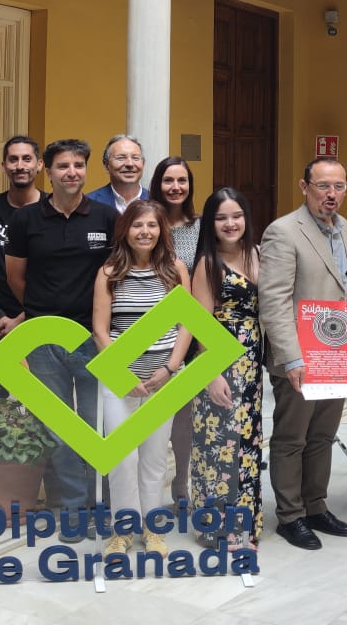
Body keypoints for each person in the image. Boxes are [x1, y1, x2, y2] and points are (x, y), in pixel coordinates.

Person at [4, 138, 117, 540]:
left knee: (94, 426)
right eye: (63, 166)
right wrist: (41, 311)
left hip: (91, 339)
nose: (72, 172)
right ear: (47, 172)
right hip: (42, 340)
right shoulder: (26, 220)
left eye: (79, 165)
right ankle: (72, 508)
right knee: (59, 430)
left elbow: (114, 275)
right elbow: (16, 277)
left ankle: (97, 507)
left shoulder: (105, 217)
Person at [259, 157, 347, 550]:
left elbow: (344, 281)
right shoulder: (283, 231)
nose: (331, 194)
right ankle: (290, 516)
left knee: (323, 435)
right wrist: (292, 358)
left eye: (338, 186)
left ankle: (316, 506)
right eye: (322, 186)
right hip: (299, 358)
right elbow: (274, 300)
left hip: (335, 354)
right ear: (304, 187)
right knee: (292, 438)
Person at [92, 200, 192, 556]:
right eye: (137, 225)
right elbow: (100, 330)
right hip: (119, 381)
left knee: (154, 457)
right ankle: (122, 530)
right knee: (122, 458)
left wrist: (170, 368)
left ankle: (153, 528)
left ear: (161, 230)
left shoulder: (175, 269)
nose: (145, 232)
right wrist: (122, 375)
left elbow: (186, 324)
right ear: (126, 230)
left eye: (152, 225)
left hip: (163, 380)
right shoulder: (109, 272)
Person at [190, 188, 264, 548]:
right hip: (219, 362)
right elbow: (200, 323)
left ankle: (246, 524)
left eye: (236, 216)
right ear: (211, 223)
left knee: (247, 444)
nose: (230, 224)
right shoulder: (207, 263)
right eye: (221, 218)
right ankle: (217, 527)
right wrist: (212, 373)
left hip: (251, 364)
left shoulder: (257, 254)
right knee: (218, 446)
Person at [149, 155, 200, 505]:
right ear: (158, 184)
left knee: (184, 412)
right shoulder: (146, 221)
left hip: (190, 329)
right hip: (148, 329)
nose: (175, 187)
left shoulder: (200, 227)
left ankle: (181, 480)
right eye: (169, 180)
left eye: (182, 180)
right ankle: (148, 487)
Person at [0, 136, 42, 398]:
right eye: (13, 159)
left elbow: (58, 274)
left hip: (40, 319)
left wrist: (24, 318)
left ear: (39, 165)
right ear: (3, 165)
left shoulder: (52, 210)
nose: (20, 165)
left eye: (27, 159)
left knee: (45, 400)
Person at [86, 134, 148, 213]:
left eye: (135, 158)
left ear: (143, 164)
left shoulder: (156, 201)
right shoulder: (88, 204)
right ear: (106, 165)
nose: (130, 164)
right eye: (121, 158)